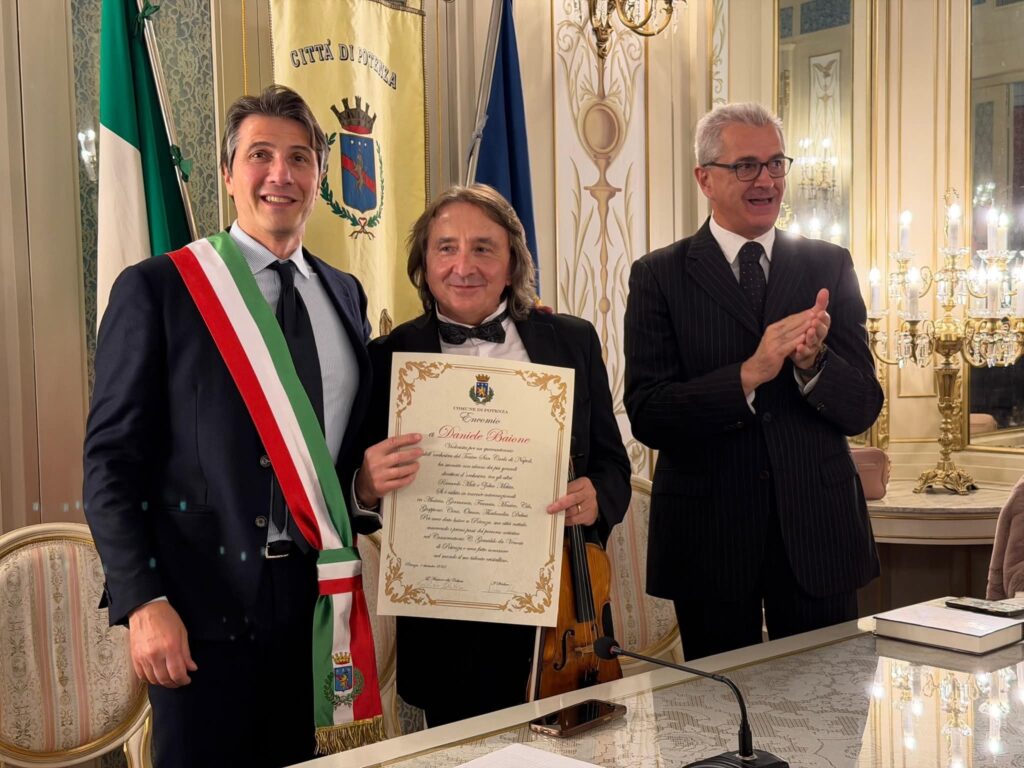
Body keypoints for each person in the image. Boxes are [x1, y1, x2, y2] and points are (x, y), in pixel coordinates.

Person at [83, 85, 379, 767]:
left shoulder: (345, 294)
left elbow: (336, 457)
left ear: (321, 176)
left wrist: (361, 492)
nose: (281, 175)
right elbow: (109, 465)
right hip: (196, 610)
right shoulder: (159, 288)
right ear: (228, 173)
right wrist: (143, 601)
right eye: (261, 155)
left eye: (300, 158)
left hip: (314, 604)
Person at [354, 184, 631, 726]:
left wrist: (598, 497)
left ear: (512, 264)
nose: (464, 265)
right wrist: (366, 482)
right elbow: (356, 491)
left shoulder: (571, 341)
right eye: (446, 247)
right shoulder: (388, 359)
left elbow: (612, 465)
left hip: (560, 619)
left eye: (484, 248)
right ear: (424, 264)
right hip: (448, 630)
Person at [623, 102, 882, 661]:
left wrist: (815, 367)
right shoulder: (659, 276)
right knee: (720, 728)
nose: (766, 180)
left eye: (775, 164)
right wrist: (750, 373)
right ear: (705, 179)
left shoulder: (827, 265)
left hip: (818, 536)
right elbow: (649, 412)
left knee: (829, 721)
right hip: (708, 539)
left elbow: (864, 405)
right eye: (746, 166)